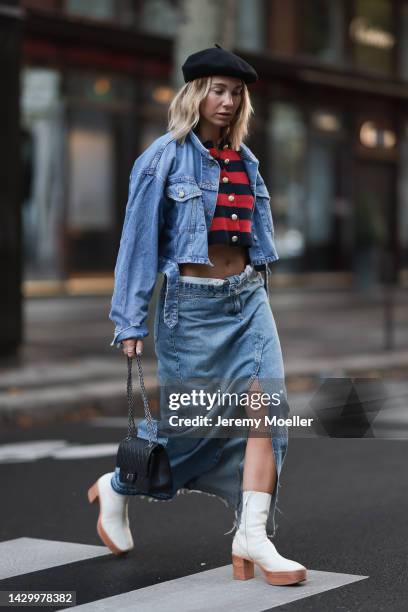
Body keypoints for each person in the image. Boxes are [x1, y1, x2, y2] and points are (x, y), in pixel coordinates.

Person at [87, 44, 307, 586]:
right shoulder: (163, 158)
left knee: (268, 409)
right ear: (194, 94)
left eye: (236, 93)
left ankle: (252, 535)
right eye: (216, 89)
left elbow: (255, 242)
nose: (227, 101)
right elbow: (136, 244)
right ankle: (118, 485)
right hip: (191, 308)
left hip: (248, 299)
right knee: (194, 434)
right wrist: (131, 321)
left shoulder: (247, 162)